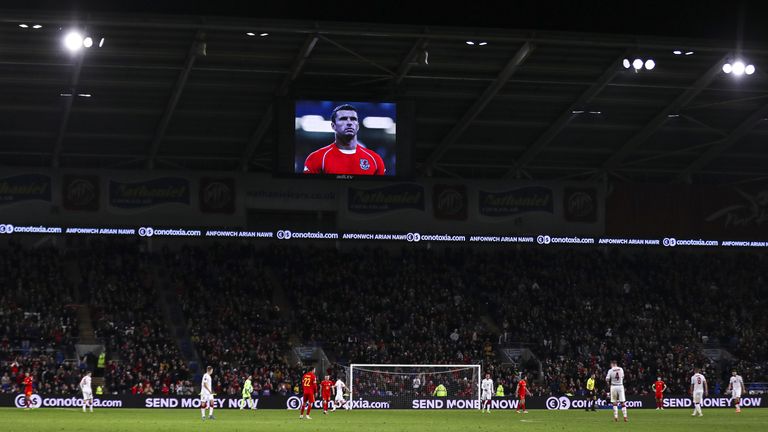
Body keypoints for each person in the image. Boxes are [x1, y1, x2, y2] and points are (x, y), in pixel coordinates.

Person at [303, 104, 386, 176]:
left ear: (357, 126)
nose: (349, 122)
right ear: (333, 126)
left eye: (353, 119)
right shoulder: (316, 158)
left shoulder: (375, 159)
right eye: (343, 119)